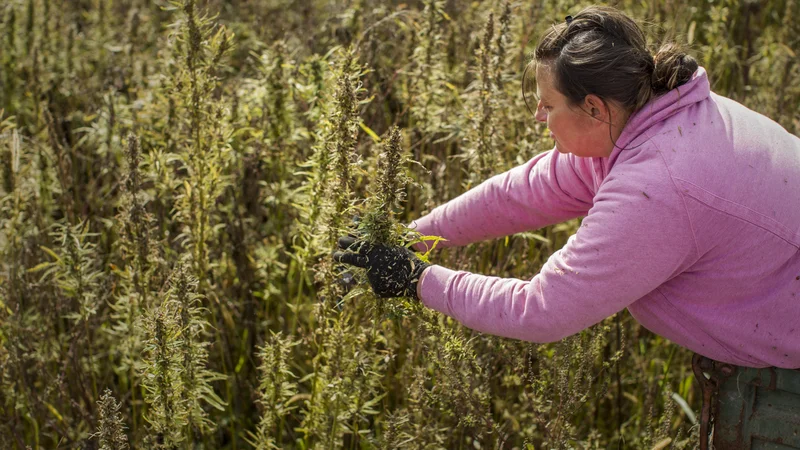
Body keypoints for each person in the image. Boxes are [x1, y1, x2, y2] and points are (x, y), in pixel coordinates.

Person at [333, 6, 800, 371]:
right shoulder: (654, 112)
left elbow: (542, 310)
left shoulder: (658, 185)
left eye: (548, 104)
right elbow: (524, 191)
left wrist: (416, 280)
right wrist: (410, 235)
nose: (538, 117)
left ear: (594, 108)